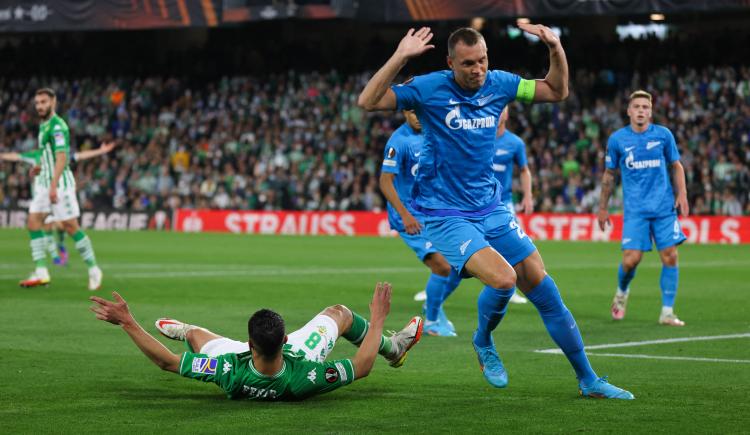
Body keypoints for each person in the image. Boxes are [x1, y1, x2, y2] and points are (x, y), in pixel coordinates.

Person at [358, 26, 633, 398]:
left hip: (491, 207)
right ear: (450, 62)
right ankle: (483, 340)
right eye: (469, 63)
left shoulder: (500, 84)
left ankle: (588, 380)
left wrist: (555, 46)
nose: (478, 69)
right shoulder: (428, 88)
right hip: (445, 213)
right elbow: (369, 101)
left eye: (483, 60)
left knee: (544, 289)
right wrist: (400, 57)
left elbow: (556, 90)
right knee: (504, 280)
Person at [89, 283, 423, 401]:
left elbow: (166, 361)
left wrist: (128, 322)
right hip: (296, 359)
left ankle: (188, 329)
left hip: (245, 364)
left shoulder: (227, 370)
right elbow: (362, 366)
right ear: (287, 339)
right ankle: (395, 350)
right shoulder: (305, 376)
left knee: (193, 337)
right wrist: (378, 317)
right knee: (341, 313)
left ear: (249, 343)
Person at [598, 90, 688, 326]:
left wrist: (683, 194)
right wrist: (602, 208)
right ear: (629, 111)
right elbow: (609, 175)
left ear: (651, 111)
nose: (641, 111)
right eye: (636, 107)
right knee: (631, 260)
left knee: (670, 256)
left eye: (645, 107)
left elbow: (676, 166)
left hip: (663, 208)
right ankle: (622, 292)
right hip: (636, 210)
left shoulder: (663, 135)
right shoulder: (617, 140)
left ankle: (667, 312)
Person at [379, 110, 463, 337]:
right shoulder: (399, 141)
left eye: (420, 111)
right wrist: (405, 215)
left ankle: (433, 304)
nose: (417, 116)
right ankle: (433, 321)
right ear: (405, 112)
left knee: (462, 265)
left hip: (434, 211)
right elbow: (385, 182)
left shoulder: (435, 133)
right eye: (412, 112)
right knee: (442, 265)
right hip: (409, 217)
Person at [17, 88, 104, 290]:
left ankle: (93, 269)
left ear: (53, 102)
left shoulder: (57, 126)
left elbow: (62, 157)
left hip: (60, 185)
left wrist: (54, 186)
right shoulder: (43, 125)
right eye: (37, 102)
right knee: (33, 222)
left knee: (70, 226)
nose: (40, 106)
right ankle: (41, 271)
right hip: (45, 182)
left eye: (44, 102)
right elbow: (48, 154)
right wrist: (40, 167)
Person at [1, 142, 117, 268]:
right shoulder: (36, 155)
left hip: (59, 195)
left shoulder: (61, 155)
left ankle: (61, 245)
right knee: (46, 226)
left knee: (63, 226)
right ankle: (54, 258)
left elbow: (81, 155)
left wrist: (100, 151)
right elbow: (16, 156)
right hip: (43, 198)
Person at [492, 106, 533, 304]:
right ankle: (436, 286)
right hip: (476, 204)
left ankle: (510, 288)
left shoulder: (515, 143)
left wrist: (528, 195)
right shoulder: (478, 137)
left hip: (504, 203)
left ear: (507, 114)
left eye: (502, 110)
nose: (499, 113)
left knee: (511, 247)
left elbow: (524, 170)